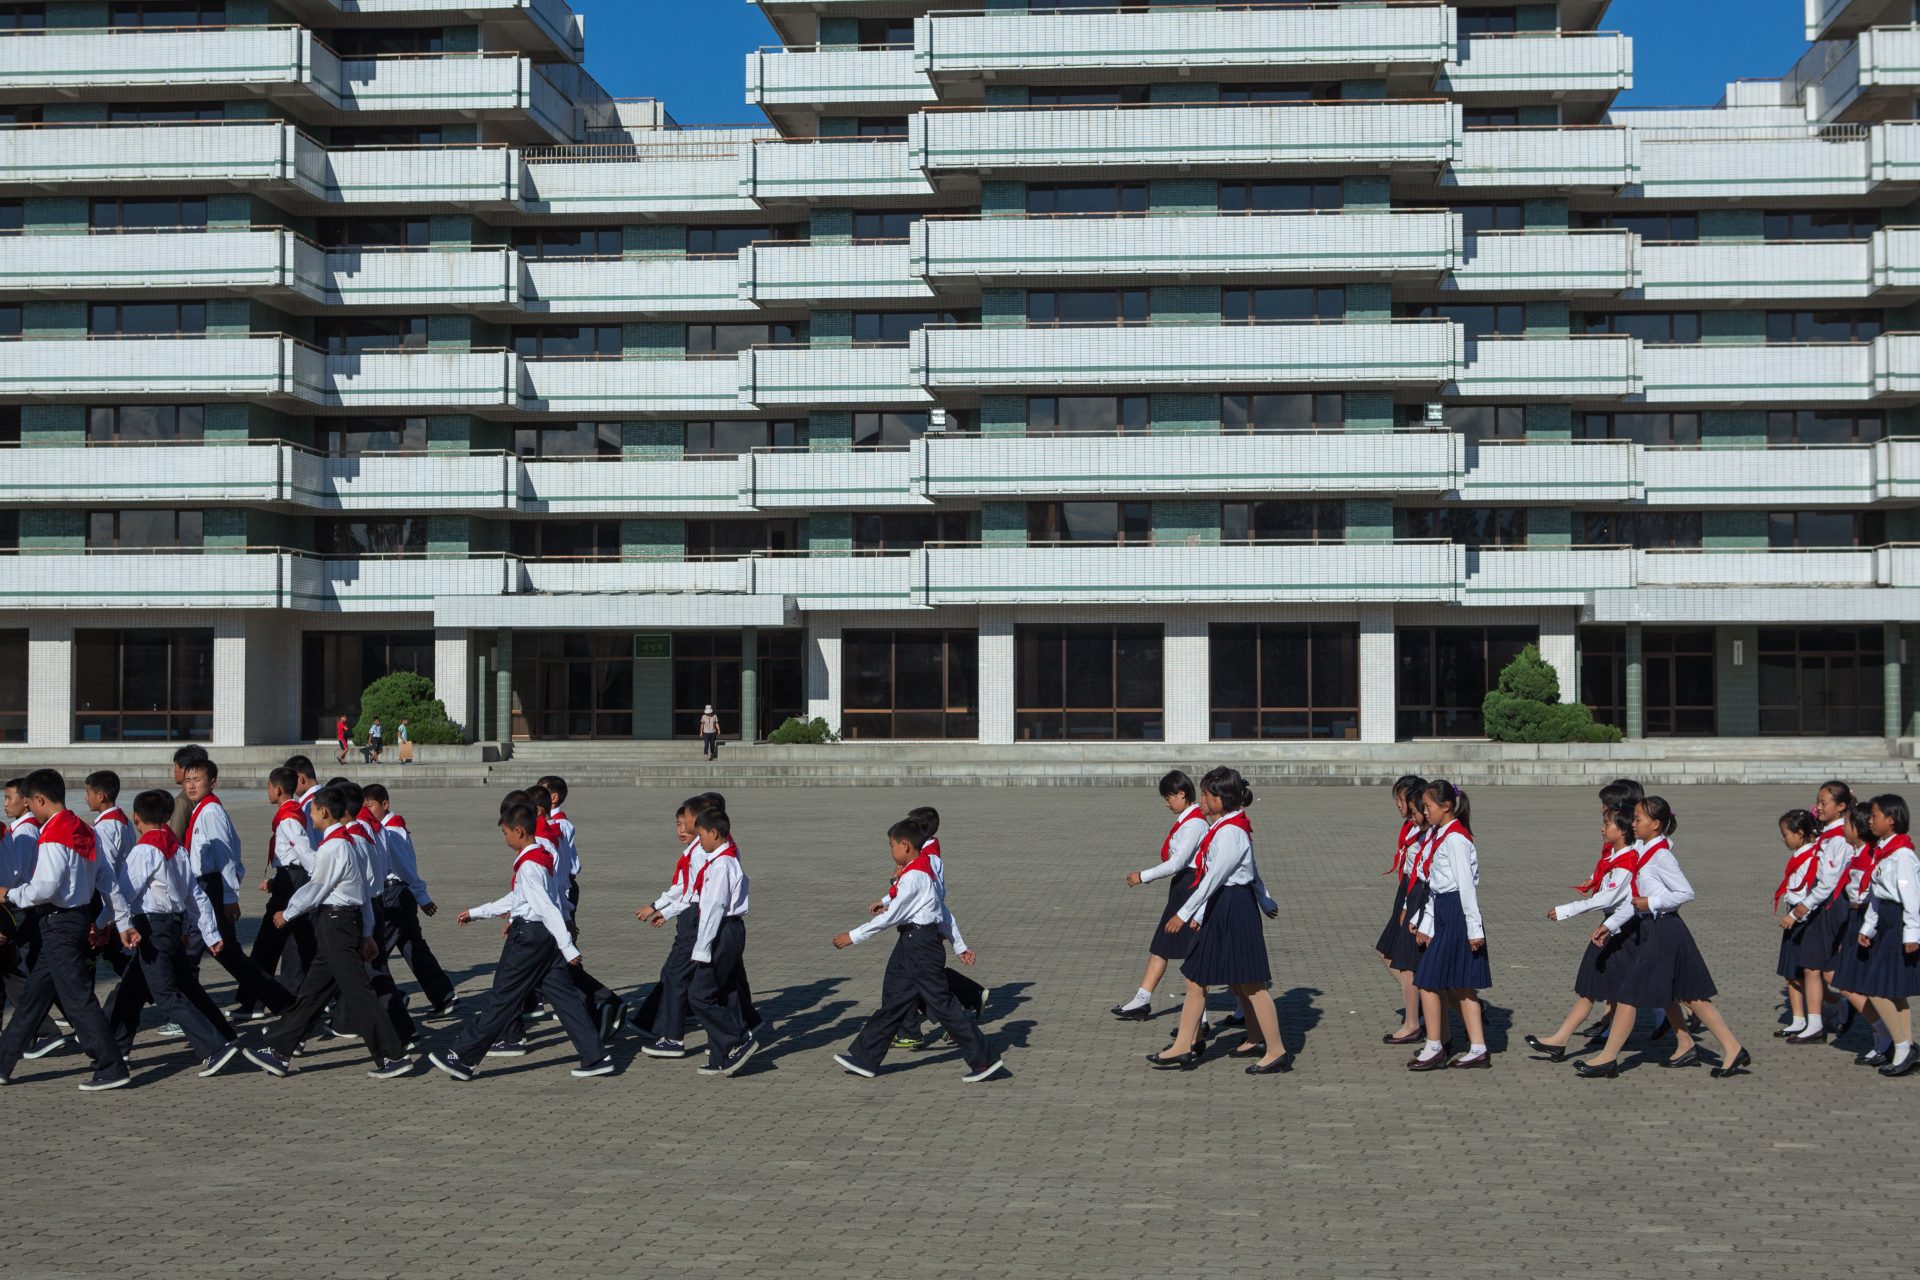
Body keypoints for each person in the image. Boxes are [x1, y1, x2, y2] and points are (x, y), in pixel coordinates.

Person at [427, 803, 612, 1081]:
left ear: (519, 831)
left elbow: (545, 907)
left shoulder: (529, 865)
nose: (504, 839)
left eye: (505, 833)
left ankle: (462, 1057)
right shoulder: (541, 857)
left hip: (530, 939)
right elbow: (520, 898)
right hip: (544, 938)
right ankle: (596, 1056)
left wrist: (568, 945)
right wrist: (478, 913)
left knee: (502, 997)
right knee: (565, 999)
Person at [242, 786, 412, 1080]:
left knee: (359, 992)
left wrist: (288, 912)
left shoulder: (334, 847)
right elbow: (363, 893)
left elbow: (316, 889)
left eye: (313, 810)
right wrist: (367, 932)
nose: (309, 814)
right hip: (341, 923)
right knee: (312, 992)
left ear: (323, 811)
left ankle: (393, 1055)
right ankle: (280, 1051)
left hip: (336, 923)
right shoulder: (347, 843)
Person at [1576, 796, 1750, 1080]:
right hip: (1652, 928)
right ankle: (1690, 1044)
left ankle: (1608, 1058)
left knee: (1631, 994)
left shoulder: (1661, 856)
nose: (1634, 824)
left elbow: (1685, 892)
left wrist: (1652, 903)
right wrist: (1612, 923)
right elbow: (1629, 896)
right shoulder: (1646, 850)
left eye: (1639, 819)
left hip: (1666, 930)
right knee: (1678, 994)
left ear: (1655, 825)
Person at [832, 818, 1005, 1083]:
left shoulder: (915, 876)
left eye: (891, 846)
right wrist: (959, 945)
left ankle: (985, 1060)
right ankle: (866, 1058)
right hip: (910, 943)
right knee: (894, 999)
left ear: (905, 846)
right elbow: (942, 913)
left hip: (921, 945)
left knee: (943, 1005)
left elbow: (894, 918)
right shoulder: (919, 871)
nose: (890, 851)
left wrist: (852, 936)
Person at [1147, 766, 1289, 1075]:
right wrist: (1199, 914)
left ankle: (1275, 1049)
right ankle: (1188, 1045)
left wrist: (1184, 914)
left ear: (1221, 799)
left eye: (1206, 795)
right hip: (1223, 906)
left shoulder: (1231, 832)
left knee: (1251, 983)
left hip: (1234, 908)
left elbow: (1213, 879)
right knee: (1201, 977)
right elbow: (1231, 875)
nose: (1202, 800)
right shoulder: (1225, 827)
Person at [0, 769, 132, 1090]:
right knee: (33, 998)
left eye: (30, 802)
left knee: (78, 1000)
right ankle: (3, 1062)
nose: (29, 807)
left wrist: (11, 895)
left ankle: (112, 1065)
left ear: (41, 800)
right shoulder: (84, 829)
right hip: (73, 919)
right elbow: (107, 880)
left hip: (59, 922)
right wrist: (111, 920)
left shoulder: (54, 834)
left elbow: (45, 886)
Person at [101, 789, 241, 1079]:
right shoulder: (177, 848)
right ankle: (117, 1049)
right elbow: (195, 896)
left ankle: (214, 1047)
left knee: (166, 994)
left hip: (151, 927)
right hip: (171, 926)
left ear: (136, 818)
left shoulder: (143, 851)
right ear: (166, 816)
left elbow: (124, 892)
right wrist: (209, 932)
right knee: (132, 991)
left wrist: (105, 921)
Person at [1525, 804, 1639, 1061]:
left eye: (1607, 823)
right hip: (1610, 929)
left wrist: (1566, 910)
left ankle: (1684, 1040)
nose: (1602, 828)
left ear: (1622, 830)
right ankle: (1560, 1039)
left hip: (1623, 933)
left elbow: (1606, 898)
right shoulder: (1614, 858)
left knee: (1637, 994)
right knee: (1591, 985)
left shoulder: (1627, 862)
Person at [181, 759, 293, 1018]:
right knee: (224, 954)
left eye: (198, 779)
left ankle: (283, 1003)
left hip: (211, 888)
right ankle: (281, 1002)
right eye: (188, 780)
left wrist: (230, 896)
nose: (191, 785)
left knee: (219, 953)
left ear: (212, 782)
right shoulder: (202, 810)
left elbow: (226, 856)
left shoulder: (210, 812)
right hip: (204, 887)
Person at [1407, 780, 1492, 1072]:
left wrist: (1474, 929)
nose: (1424, 811)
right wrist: (1425, 922)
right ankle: (1477, 1048)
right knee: (1460, 984)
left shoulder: (1455, 839)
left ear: (1446, 806)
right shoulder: (1440, 834)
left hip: (1457, 912)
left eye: (1428, 806)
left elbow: (1465, 887)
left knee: (1429, 981)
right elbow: (1434, 886)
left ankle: (1435, 1045)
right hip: (1444, 909)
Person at [1114, 770, 1208, 1022]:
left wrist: (1142, 876)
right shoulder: (1189, 820)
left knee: (1194, 952)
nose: (1167, 803)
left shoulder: (1195, 823)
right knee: (1161, 945)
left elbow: (1177, 863)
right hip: (1182, 887)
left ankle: (1203, 1018)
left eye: (1169, 797)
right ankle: (1141, 1000)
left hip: (1191, 887)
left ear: (1182, 794)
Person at [1839, 794, 1918, 1077]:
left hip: (1897, 923)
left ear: (1891, 819)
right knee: (1894, 991)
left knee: (1878, 987)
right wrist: (1867, 928)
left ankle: (1902, 1045)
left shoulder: (1902, 854)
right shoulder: (1884, 851)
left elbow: (1911, 898)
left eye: (1874, 815)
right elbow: (1875, 897)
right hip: (1883, 921)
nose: (1870, 820)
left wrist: (1912, 934)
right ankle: (1905, 1047)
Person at [364, 783, 457, 1016]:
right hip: (399, 893)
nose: (367, 811)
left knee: (374, 952)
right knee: (413, 948)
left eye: (371, 806)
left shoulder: (391, 830)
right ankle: (443, 995)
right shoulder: (389, 826)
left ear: (385, 804)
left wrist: (422, 895)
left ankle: (394, 997)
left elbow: (405, 866)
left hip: (394, 893)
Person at [684, 808, 758, 1077]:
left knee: (699, 995)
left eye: (701, 834)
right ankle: (720, 1055)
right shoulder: (720, 860)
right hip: (728, 929)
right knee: (720, 991)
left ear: (714, 833)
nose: (699, 839)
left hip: (722, 930)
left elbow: (714, 907)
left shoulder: (722, 864)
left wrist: (702, 948)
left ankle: (738, 1039)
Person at [240, 767, 316, 1019]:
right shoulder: (290, 814)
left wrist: (317, 880)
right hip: (288, 879)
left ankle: (258, 1000)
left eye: (268, 787)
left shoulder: (289, 818)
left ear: (278, 790)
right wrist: (276, 879)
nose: (267, 791)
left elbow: (305, 854)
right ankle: (283, 997)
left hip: (292, 883)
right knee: (293, 942)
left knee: (268, 942)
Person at [1374, 774, 1428, 1045]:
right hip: (1406, 890)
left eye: (1401, 798)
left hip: (1417, 894)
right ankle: (1434, 1004)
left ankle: (1413, 1023)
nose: (1397, 803)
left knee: (1407, 963)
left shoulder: (1425, 828)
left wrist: (1411, 904)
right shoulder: (1410, 826)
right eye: (1395, 798)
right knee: (1387, 952)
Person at [1772, 808, 1829, 1041]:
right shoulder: (1799, 854)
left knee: (1809, 971)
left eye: (1786, 834)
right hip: (1794, 916)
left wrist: (1795, 915)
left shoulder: (1812, 858)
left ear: (1801, 833)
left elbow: (1812, 892)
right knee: (1791, 972)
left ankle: (1820, 1018)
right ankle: (1798, 1020)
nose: (1784, 839)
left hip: (1804, 918)